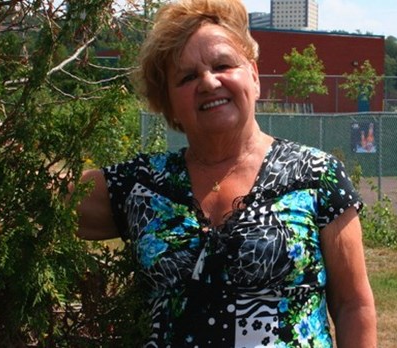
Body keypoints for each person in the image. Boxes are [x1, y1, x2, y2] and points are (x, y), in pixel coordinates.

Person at [76, 0, 377, 346]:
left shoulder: (317, 175)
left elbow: (353, 305)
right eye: (187, 76)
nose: (207, 81)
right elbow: (35, 198)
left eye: (222, 64)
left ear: (254, 75)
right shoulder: (141, 185)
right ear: (168, 103)